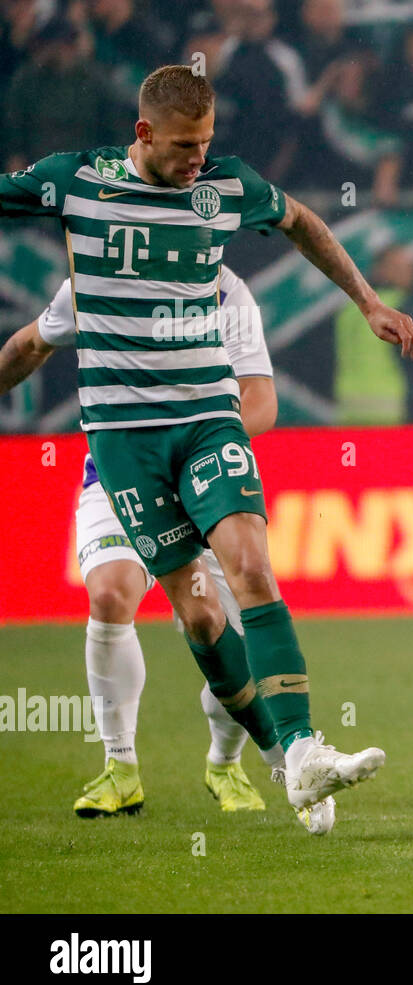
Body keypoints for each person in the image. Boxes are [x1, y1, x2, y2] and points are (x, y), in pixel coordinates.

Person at [0, 64, 413, 816]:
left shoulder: (224, 188)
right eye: (185, 146)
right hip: (124, 441)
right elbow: (29, 344)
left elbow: (302, 222)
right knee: (197, 611)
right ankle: (274, 759)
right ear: (143, 133)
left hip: (204, 419)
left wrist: (367, 301)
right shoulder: (75, 183)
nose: (198, 159)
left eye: (207, 143)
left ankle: (303, 747)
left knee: (251, 563)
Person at [4, 267, 333, 832]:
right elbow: (31, 342)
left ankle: (227, 762)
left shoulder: (225, 289)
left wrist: (202, 449)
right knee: (109, 595)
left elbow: (260, 399)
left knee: (216, 629)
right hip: (119, 475)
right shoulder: (98, 279)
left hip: (204, 475)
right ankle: (120, 766)